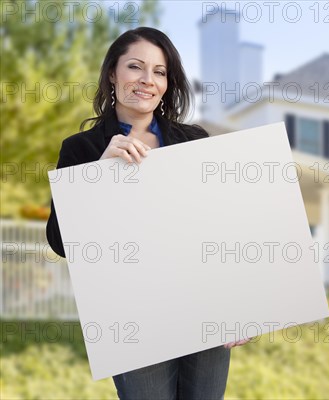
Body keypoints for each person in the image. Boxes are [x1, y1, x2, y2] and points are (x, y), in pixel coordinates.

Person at [45, 26, 249, 399]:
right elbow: (60, 242)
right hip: (132, 317)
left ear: (168, 82)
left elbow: (218, 229)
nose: (147, 80)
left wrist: (235, 304)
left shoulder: (193, 142)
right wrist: (98, 176)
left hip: (202, 306)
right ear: (112, 74)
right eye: (135, 67)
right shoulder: (82, 148)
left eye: (159, 71)